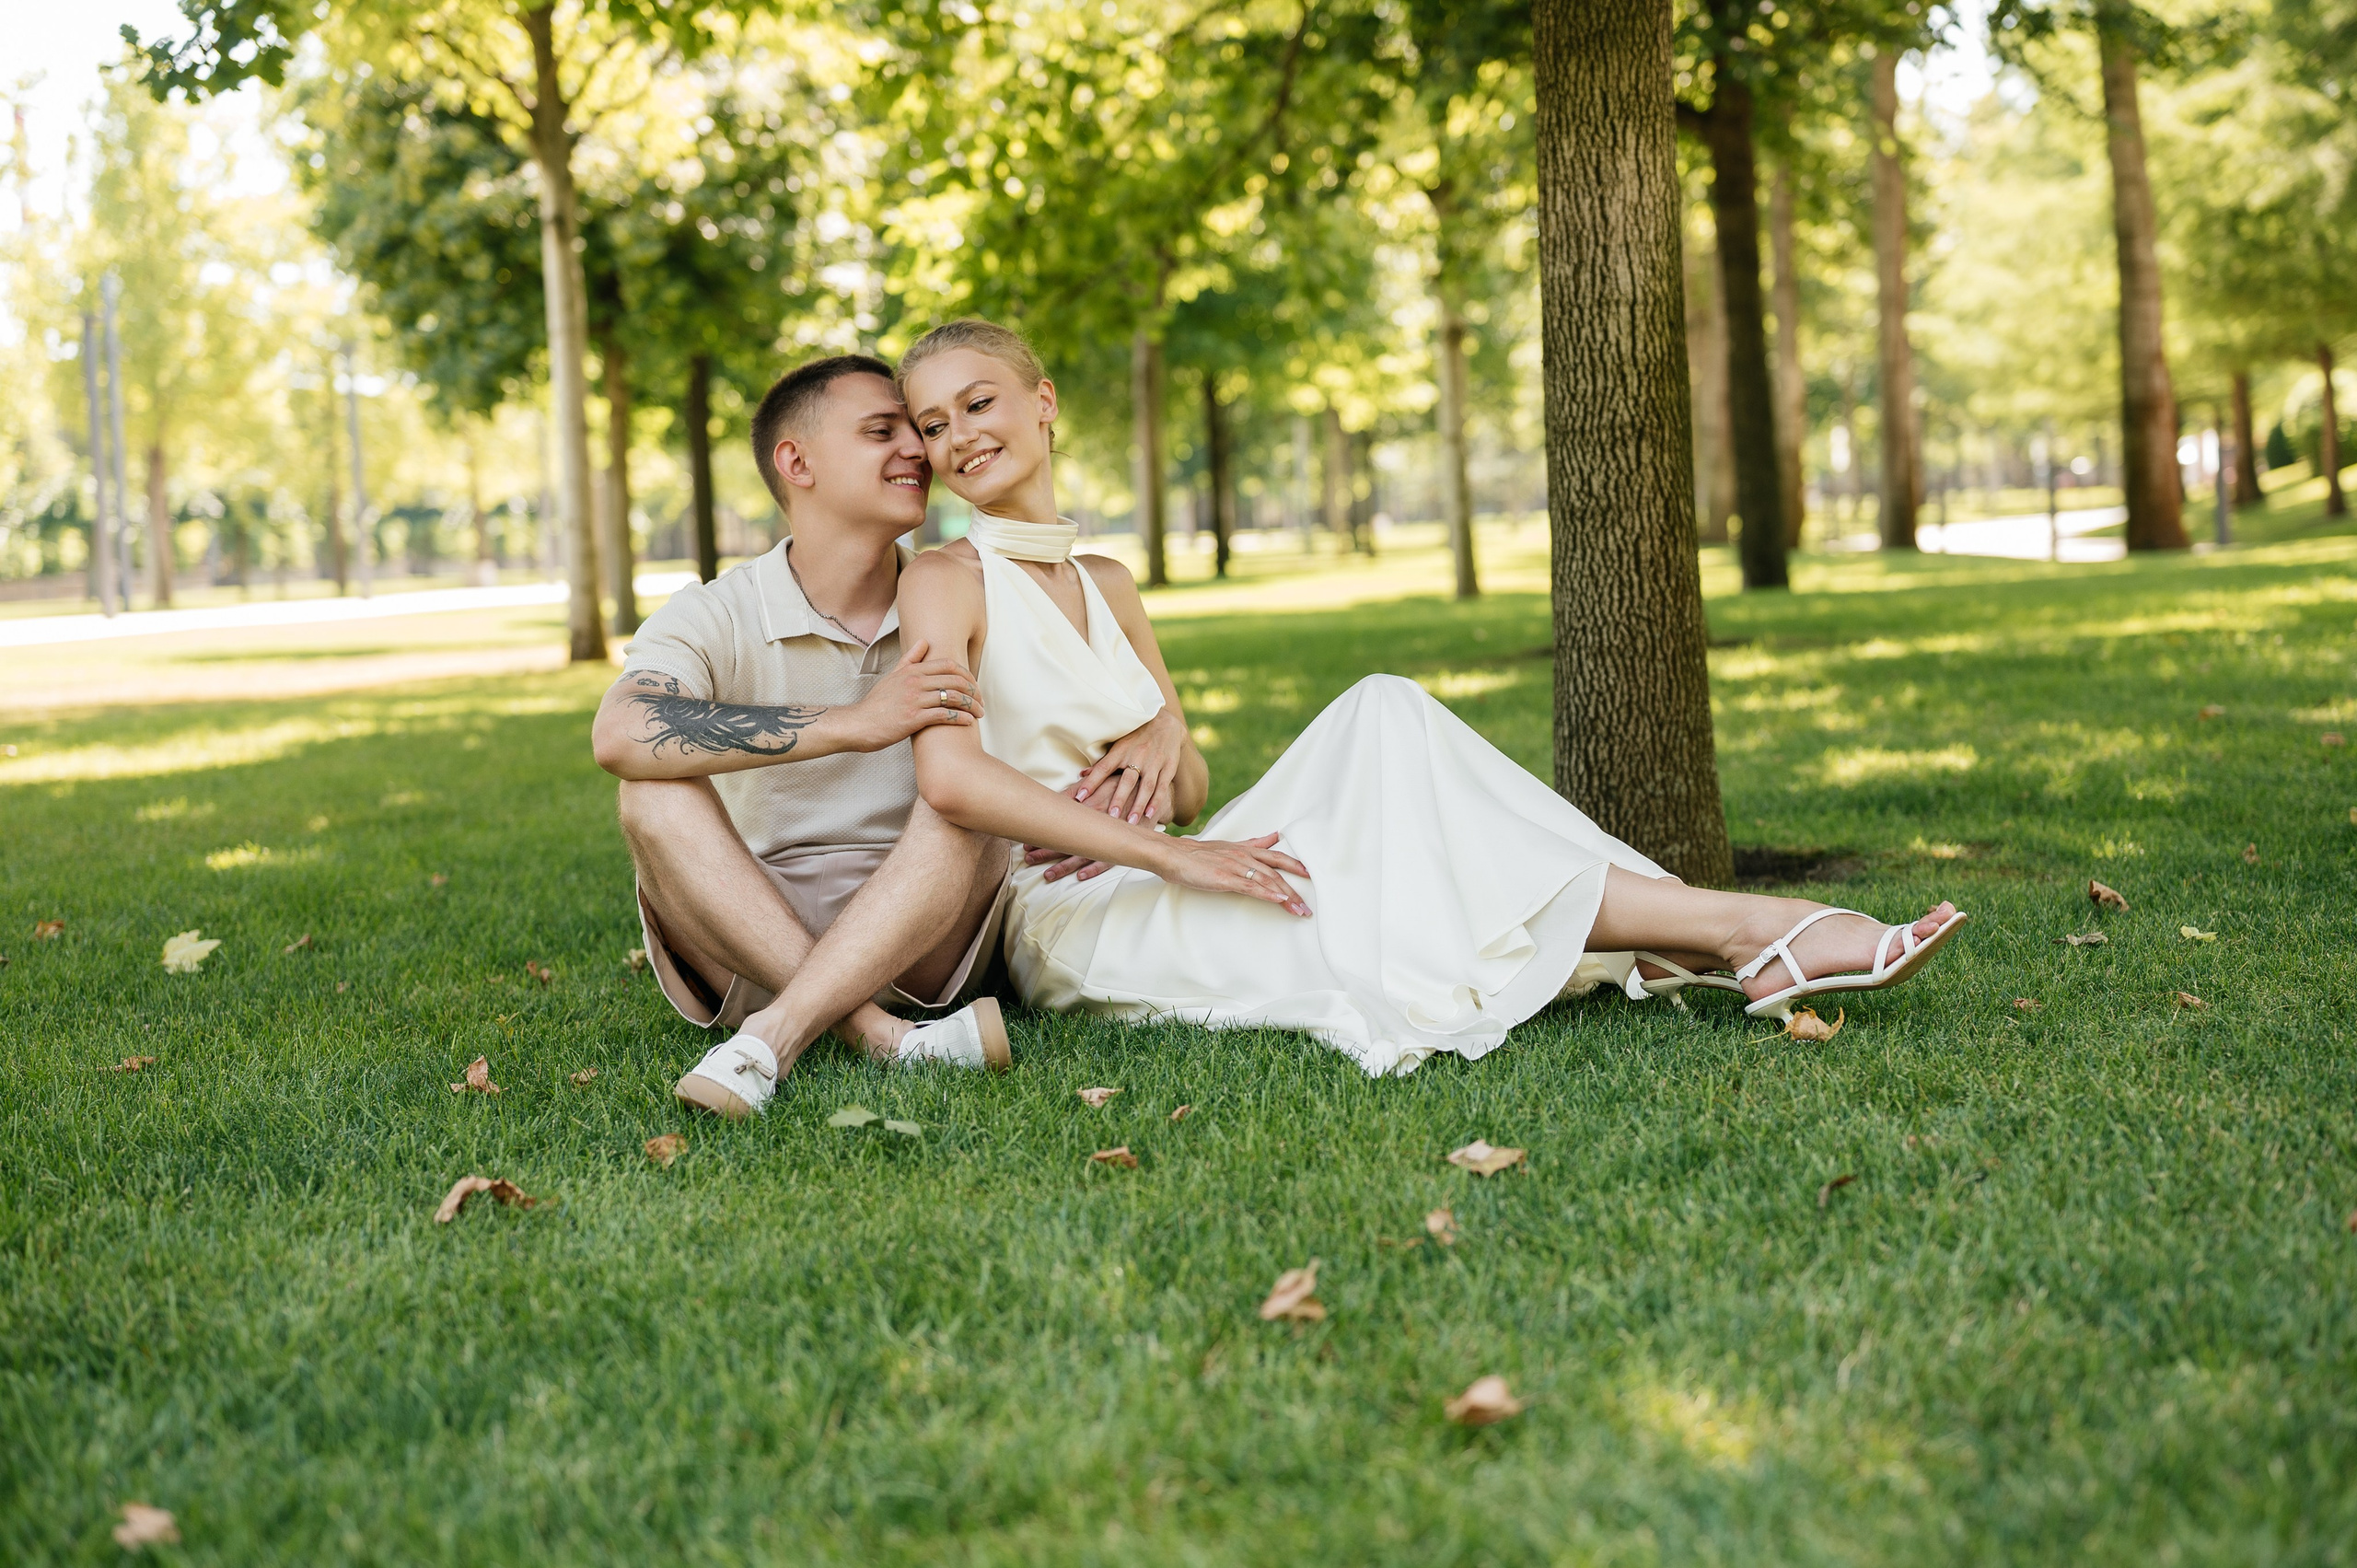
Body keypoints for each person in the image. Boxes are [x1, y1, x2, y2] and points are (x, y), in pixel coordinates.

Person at [890, 319, 1968, 1076]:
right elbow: (948, 774)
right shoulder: (943, 578)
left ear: (1042, 403)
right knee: (1393, 896)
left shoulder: (1108, 583)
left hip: (1187, 854)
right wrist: (1173, 850)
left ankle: (1726, 932)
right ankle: (1745, 930)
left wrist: (1165, 728)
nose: (959, 438)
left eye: (977, 402)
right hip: (1077, 912)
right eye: (933, 426)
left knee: (1384, 707)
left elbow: (1195, 783)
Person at [592, 354, 1016, 1120]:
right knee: (647, 792)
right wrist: (854, 725)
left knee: (964, 794)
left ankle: (781, 1036)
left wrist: (1160, 728)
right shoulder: (717, 612)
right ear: (797, 461)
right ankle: (879, 1037)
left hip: (925, 937)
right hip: (747, 937)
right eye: (881, 431)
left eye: (916, 431)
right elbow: (622, 731)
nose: (919, 450)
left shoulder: (959, 592)